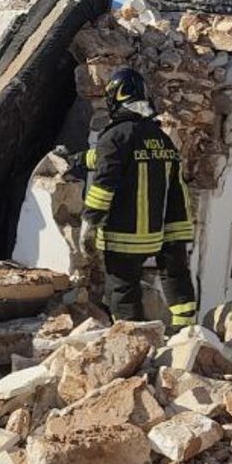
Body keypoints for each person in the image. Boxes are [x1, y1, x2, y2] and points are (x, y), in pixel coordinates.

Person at [80, 67, 198, 329]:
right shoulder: (162, 139)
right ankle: (186, 332)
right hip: (164, 232)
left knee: (123, 289)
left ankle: (134, 340)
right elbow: (123, 159)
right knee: (177, 278)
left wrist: (90, 222)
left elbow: (105, 181)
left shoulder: (114, 136)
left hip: (124, 236)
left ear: (114, 99)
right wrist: (79, 159)